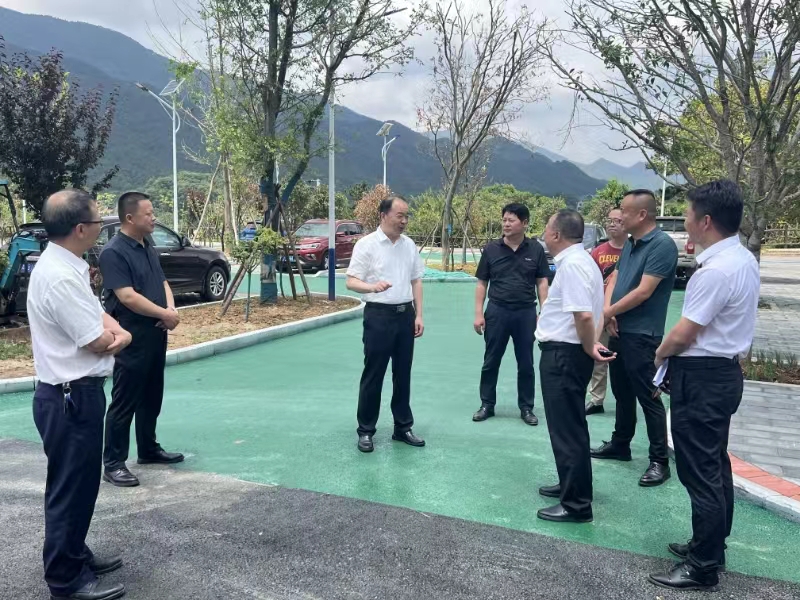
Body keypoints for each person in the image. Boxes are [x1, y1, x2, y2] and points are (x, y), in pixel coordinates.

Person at [648, 180, 759, 591]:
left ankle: (703, 565)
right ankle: (711, 545)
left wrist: (659, 355)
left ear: (706, 220)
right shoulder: (742, 259)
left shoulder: (715, 270)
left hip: (704, 378)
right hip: (722, 374)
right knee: (714, 464)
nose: (686, 223)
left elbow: (684, 333)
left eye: (688, 215)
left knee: (700, 472)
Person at [27, 190, 131, 600]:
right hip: (70, 397)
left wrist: (114, 331)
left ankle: (74, 553)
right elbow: (95, 340)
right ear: (81, 228)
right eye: (98, 222)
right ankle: (65, 580)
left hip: (74, 395)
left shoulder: (66, 266)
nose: (101, 228)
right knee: (70, 489)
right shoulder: (59, 275)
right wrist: (121, 337)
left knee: (82, 485)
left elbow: (98, 316)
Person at [591, 189, 677, 487]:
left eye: (624, 212)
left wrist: (609, 311)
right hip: (620, 329)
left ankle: (659, 460)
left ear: (641, 215)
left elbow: (644, 291)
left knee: (649, 396)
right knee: (622, 392)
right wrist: (610, 313)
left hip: (643, 334)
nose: (619, 217)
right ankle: (621, 444)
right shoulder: (630, 243)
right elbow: (615, 278)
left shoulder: (662, 245)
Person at [100, 192, 183, 487]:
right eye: (148, 214)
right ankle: (113, 463)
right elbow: (127, 296)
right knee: (125, 399)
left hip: (156, 332)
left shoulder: (147, 244)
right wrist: (164, 313)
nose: (153, 218)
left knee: (151, 394)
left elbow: (162, 281)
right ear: (129, 218)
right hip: (131, 335)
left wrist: (170, 311)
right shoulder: (113, 252)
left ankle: (148, 448)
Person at [535, 210, 612, 523]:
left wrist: (588, 345)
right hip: (567, 352)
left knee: (567, 429)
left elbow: (583, 315)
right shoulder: (582, 261)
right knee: (569, 426)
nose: (544, 233)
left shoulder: (573, 265)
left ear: (556, 234)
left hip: (564, 355)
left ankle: (577, 504)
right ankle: (570, 484)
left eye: (546, 228)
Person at [346, 194, 426, 453]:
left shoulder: (409, 245)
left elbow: (416, 280)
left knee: (403, 374)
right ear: (383, 215)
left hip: (405, 316)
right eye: (399, 216)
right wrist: (372, 287)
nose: (404, 221)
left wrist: (419, 315)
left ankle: (402, 427)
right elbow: (351, 281)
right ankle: (366, 430)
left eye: (406, 216)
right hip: (378, 316)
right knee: (374, 374)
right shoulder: (367, 244)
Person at [472, 203, 550, 426]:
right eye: (504, 220)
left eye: (511, 220)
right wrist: (478, 313)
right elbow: (482, 283)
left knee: (526, 362)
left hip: (526, 313)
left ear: (524, 223)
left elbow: (542, 282)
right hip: (497, 311)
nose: (506, 224)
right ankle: (487, 404)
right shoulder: (491, 249)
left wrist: (544, 312)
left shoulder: (535, 249)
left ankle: (526, 407)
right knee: (491, 360)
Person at [586, 208, 626, 415]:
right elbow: (591, 284)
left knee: (623, 361)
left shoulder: (633, 251)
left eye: (617, 221)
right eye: (610, 220)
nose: (612, 224)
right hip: (600, 314)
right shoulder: (598, 252)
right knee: (598, 357)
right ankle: (596, 400)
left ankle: (625, 402)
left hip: (624, 314)